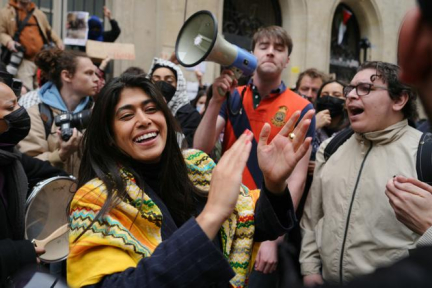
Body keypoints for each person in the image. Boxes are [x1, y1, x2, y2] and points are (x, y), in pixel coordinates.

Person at [66, 74, 314, 287]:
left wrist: (273, 183)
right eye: (126, 115)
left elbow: (253, 224)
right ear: (109, 136)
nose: (144, 120)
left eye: (151, 109)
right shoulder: (94, 199)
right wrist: (211, 216)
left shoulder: (198, 166)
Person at [193, 26, 315, 284]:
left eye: (279, 49)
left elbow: (297, 180)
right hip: (225, 215)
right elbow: (200, 150)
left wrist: (275, 236)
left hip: (264, 221)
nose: (271, 53)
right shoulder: (232, 97)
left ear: (287, 60)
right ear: (252, 53)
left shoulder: (302, 107)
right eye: (264, 47)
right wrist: (215, 101)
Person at [300, 61, 421, 286]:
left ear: (399, 99)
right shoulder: (332, 148)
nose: (351, 96)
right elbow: (312, 217)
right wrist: (309, 269)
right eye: (350, 89)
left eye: (365, 88)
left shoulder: (424, 154)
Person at [0, 80, 68, 286]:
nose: (21, 112)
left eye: (18, 103)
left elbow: (45, 172)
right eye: (11, 108)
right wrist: (20, 252)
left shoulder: (10, 157)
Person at [17, 49, 98, 176]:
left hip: (88, 194)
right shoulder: (36, 113)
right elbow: (26, 165)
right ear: (66, 76)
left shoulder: (97, 112)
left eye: (95, 73)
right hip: (50, 193)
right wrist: (61, 154)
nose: (96, 79)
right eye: (89, 73)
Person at [0, 0, 64, 90]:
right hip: (23, 60)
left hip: (41, 60)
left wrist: (58, 41)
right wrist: (9, 42)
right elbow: (1, 32)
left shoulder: (38, 13)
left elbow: (48, 30)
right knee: (25, 89)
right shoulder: (6, 12)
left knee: (42, 89)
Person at [148, 57, 201, 147]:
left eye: (169, 81)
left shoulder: (189, 115)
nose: (161, 85)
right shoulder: (144, 111)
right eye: (155, 81)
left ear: (178, 85)